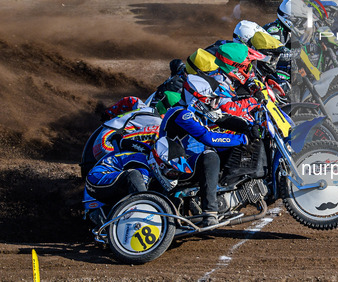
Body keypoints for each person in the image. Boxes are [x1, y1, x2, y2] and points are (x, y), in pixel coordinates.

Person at [159, 73, 251, 227]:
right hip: (177, 166)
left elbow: (222, 119)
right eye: (211, 99)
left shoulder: (194, 113)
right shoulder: (181, 114)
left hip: (189, 162)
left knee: (227, 150)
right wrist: (243, 138)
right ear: (196, 98)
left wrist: (250, 127)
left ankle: (230, 193)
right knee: (210, 155)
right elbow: (207, 137)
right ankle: (210, 213)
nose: (214, 104)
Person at [85, 139, 193, 207]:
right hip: (97, 178)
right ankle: (143, 211)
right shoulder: (142, 165)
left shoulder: (150, 165)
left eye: (177, 174)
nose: (174, 177)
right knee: (134, 175)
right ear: (160, 164)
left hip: (111, 184)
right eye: (172, 172)